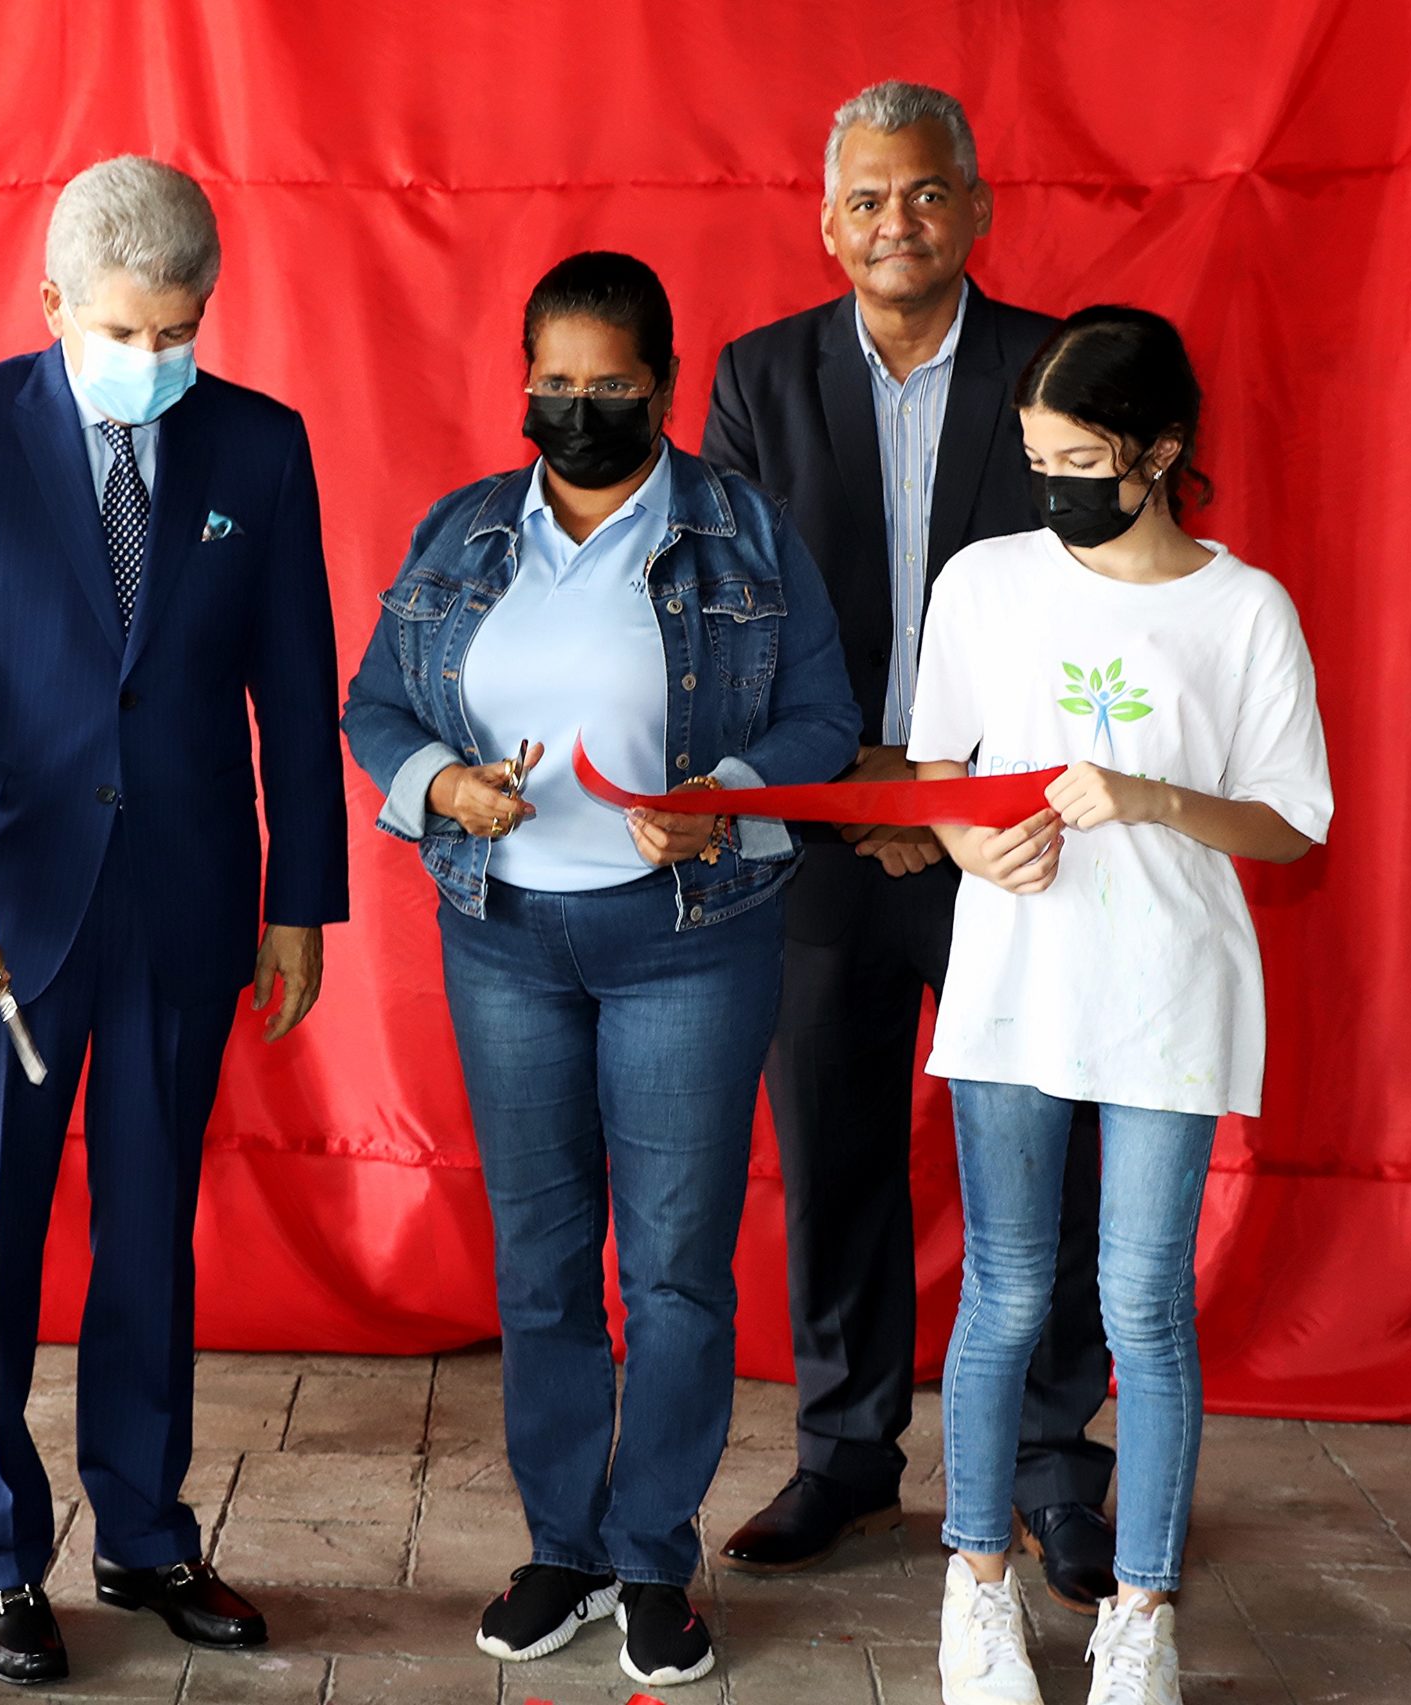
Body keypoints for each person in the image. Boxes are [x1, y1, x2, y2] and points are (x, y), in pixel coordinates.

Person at [344, 252, 861, 1688]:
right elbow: (376, 701)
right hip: (504, 937)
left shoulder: (745, 533)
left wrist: (732, 788)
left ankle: (652, 1556)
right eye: (553, 386)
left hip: (688, 940)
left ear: (664, 386)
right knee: (541, 1261)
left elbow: (827, 716)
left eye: (608, 386)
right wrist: (444, 786)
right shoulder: (460, 533)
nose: (576, 410)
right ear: (522, 385)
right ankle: (562, 1546)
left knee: (678, 1265)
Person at [0, 155, 347, 1685]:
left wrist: (303, 898)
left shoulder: (260, 447)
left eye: (183, 328)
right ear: (55, 302)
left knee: (152, 1233)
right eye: (128, 330)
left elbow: (292, 678)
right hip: (2, 913)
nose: (156, 359)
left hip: (190, 905)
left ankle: (145, 1534)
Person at [701, 80, 1119, 1607]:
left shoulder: (1054, 368)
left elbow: (1102, 598)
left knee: (1048, 1158)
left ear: (978, 209)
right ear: (828, 222)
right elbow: (736, 612)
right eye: (870, 198)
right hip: (830, 836)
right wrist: (875, 785)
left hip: (1018, 838)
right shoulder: (757, 378)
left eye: (928, 193)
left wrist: (958, 795)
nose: (899, 221)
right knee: (835, 1150)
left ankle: (1060, 1471)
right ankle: (845, 1450)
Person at [915, 306, 1329, 1705]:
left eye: (1085, 458)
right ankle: (976, 1588)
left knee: (1146, 1302)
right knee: (1008, 1289)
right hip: (1019, 976)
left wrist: (1152, 798)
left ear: (1162, 452)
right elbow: (933, 776)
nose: (1057, 487)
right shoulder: (985, 582)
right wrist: (976, 839)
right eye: (1038, 456)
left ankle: (1138, 1608)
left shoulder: (1244, 608)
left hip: (1167, 985)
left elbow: (1294, 829)